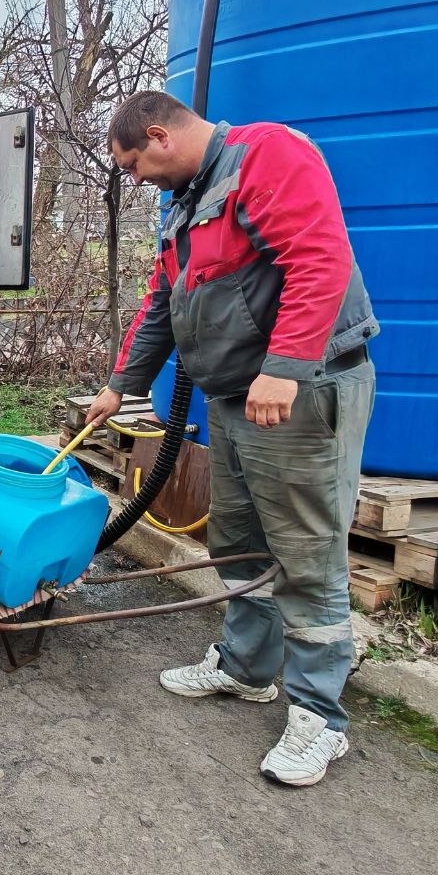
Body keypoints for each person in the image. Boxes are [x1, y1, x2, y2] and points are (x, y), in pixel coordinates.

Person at [88, 91, 378, 787]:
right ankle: (249, 671)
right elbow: (164, 303)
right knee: (240, 541)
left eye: (132, 165)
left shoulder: (267, 155)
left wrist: (285, 368)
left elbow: (318, 259)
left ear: (159, 136)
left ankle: (320, 720)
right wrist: (120, 384)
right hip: (234, 398)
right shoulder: (188, 203)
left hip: (297, 396)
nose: (135, 180)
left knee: (305, 554)